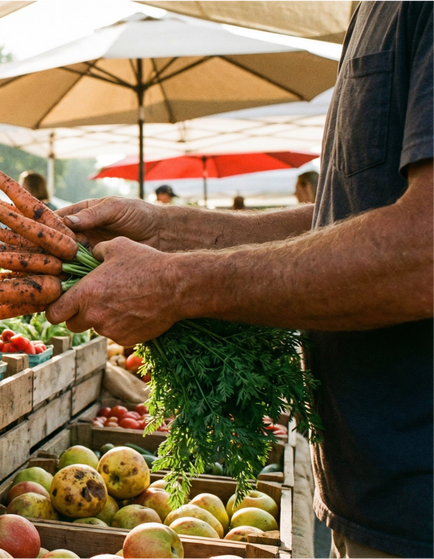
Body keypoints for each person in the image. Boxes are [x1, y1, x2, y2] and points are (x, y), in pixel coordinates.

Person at [46, 1, 433, 556]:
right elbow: (339, 220)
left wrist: (176, 284)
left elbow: (424, 251)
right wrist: (168, 229)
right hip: (374, 495)